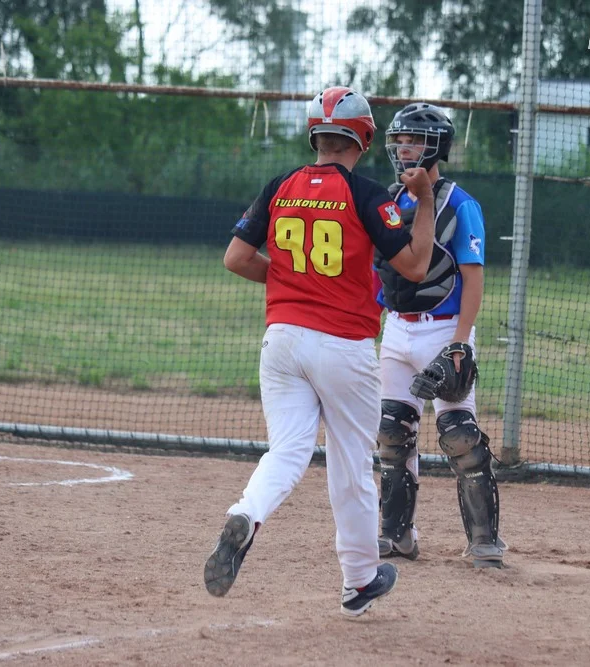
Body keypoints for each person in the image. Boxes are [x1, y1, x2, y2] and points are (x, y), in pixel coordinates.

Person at [205, 86, 438, 617]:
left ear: (315, 134)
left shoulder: (280, 186)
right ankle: (358, 581)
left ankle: (246, 512)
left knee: (286, 450)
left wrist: (293, 282)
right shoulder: (366, 192)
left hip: (281, 338)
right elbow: (416, 266)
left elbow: (236, 258)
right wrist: (424, 198)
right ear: (364, 137)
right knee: (352, 466)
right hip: (342, 345)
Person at [373, 102, 506, 569]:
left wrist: (460, 342)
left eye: (413, 140)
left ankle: (485, 540)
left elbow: (473, 278)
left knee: (459, 435)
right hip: (397, 331)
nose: (403, 147)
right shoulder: (390, 201)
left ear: (436, 149)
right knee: (392, 434)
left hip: (445, 329)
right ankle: (396, 535)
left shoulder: (460, 203)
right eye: (398, 140)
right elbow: (382, 273)